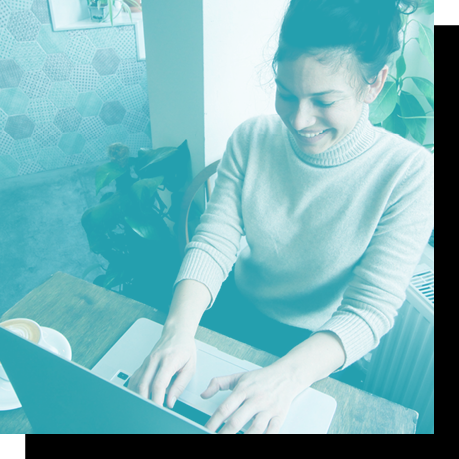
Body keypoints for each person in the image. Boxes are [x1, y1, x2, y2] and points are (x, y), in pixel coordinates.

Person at [128, 0, 434, 434]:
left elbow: (370, 309)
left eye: (324, 100)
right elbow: (214, 243)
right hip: (235, 313)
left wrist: (287, 377)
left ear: (375, 83)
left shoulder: (409, 173)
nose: (298, 118)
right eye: (286, 93)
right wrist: (177, 331)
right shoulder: (252, 138)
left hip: (322, 348)